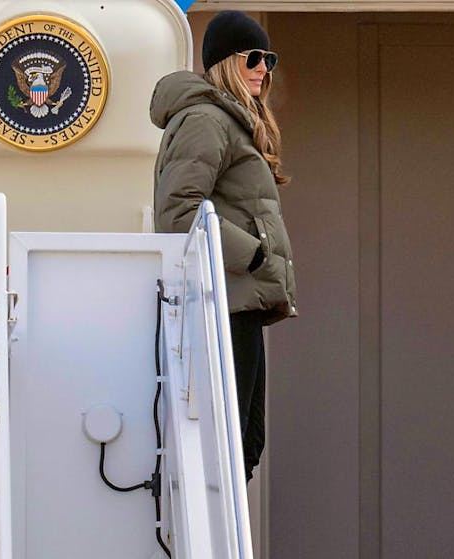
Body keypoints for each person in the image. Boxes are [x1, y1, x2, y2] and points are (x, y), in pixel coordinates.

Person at [151, 10, 297, 481]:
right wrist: (252, 253)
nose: (263, 69)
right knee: (230, 445)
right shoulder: (206, 119)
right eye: (253, 57)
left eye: (268, 59)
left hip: (240, 301)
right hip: (225, 301)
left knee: (246, 445)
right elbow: (177, 210)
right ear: (224, 63)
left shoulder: (232, 121)